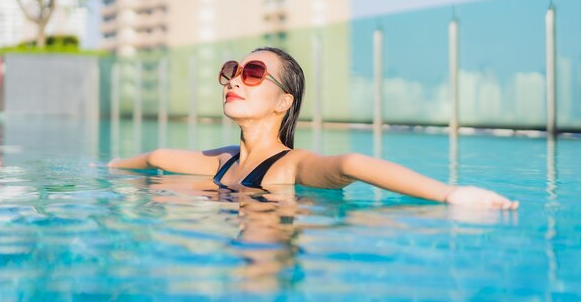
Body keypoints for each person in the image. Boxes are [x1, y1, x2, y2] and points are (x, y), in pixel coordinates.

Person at [109, 47, 519, 210]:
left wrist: (451, 194)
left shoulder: (290, 166)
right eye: (233, 71)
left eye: (253, 74)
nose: (234, 80)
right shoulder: (224, 159)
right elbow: (157, 157)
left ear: (284, 102)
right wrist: (109, 168)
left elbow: (353, 164)